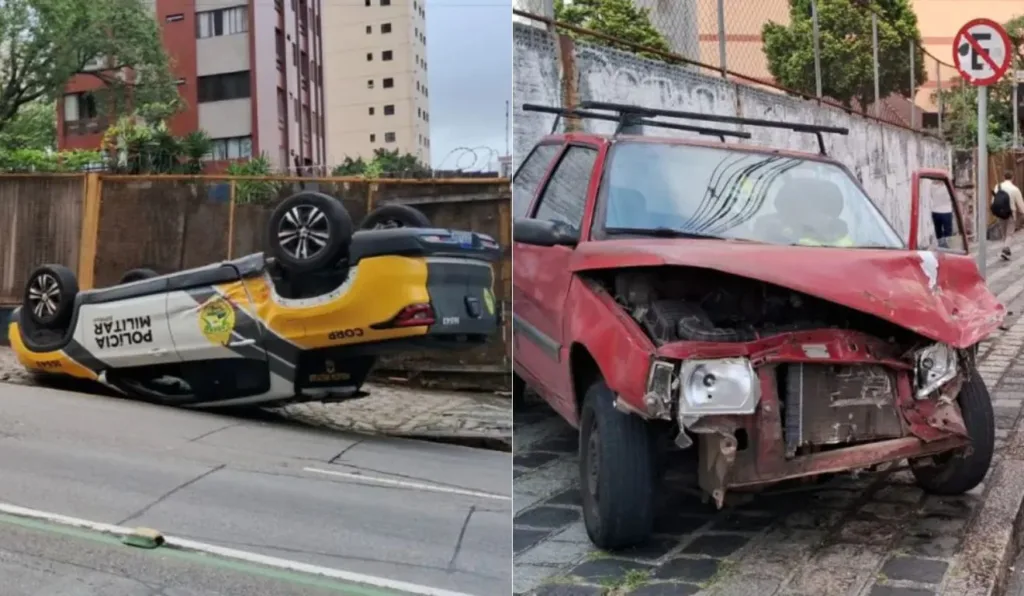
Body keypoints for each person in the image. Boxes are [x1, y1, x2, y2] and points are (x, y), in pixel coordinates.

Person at [994, 171, 1024, 260]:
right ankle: (1005, 249)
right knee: (1010, 233)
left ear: (1003, 177)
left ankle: (1006, 249)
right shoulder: (1015, 189)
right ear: (1013, 178)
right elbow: (1020, 203)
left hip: (999, 213)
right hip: (1010, 213)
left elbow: (994, 199)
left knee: (1003, 233)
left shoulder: (997, 187)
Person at [930, 181, 954, 249]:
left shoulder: (932, 186)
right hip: (945, 211)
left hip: (937, 211)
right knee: (947, 232)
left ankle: (942, 246)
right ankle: (946, 247)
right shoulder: (947, 186)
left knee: (939, 232)